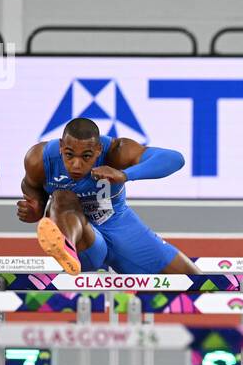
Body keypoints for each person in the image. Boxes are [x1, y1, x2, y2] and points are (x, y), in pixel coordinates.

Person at [19, 117, 199, 275]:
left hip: (119, 224)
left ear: (98, 149)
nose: (76, 165)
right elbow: (30, 185)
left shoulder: (116, 152)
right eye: (69, 155)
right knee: (62, 197)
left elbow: (175, 159)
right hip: (81, 238)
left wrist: (126, 175)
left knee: (196, 281)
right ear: (60, 147)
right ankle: (67, 249)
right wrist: (36, 207)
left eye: (86, 156)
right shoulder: (39, 159)